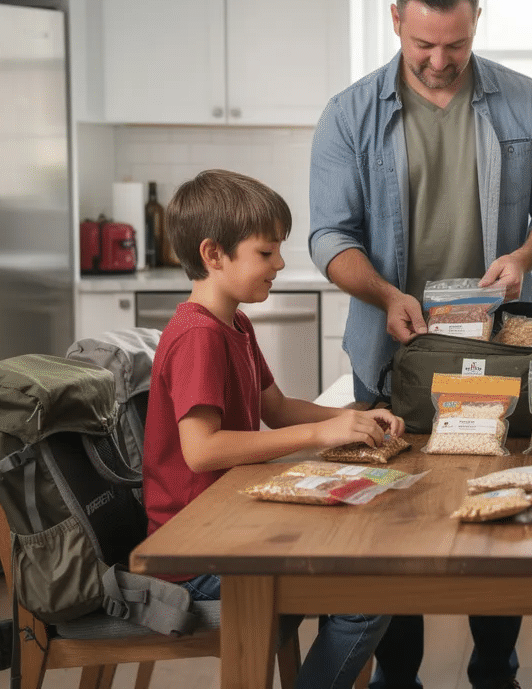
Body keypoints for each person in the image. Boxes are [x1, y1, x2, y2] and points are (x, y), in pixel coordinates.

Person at [308, 0, 532, 689]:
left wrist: (524, 254)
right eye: (423, 44)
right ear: (396, 20)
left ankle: (496, 670)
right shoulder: (351, 112)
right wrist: (385, 294)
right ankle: (400, 679)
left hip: (498, 356)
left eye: (455, 45)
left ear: (475, 22)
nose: (439, 60)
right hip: (387, 351)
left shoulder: (523, 100)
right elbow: (329, 237)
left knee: (498, 512)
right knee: (394, 527)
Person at [144, 168, 404, 689]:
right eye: (266, 253)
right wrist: (318, 437)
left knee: (361, 568)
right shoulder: (198, 336)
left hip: (233, 525)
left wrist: (352, 417)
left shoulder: (234, 323)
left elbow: (278, 408)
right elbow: (201, 451)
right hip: (198, 559)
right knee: (367, 598)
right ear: (214, 254)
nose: (281, 263)